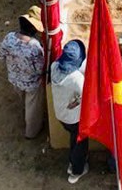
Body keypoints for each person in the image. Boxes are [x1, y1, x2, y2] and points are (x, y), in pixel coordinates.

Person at [0, 12, 48, 141]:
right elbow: (40, 68)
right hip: (31, 83)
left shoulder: (9, 37)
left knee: (23, 100)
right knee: (33, 109)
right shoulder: (34, 46)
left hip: (14, 78)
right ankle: (31, 132)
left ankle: (25, 113)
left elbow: (1, 55)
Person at [48, 40, 90, 182]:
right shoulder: (76, 79)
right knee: (80, 142)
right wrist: (76, 102)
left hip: (60, 114)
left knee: (74, 138)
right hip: (74, 118)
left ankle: (74, 161)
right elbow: (87, 96)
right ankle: (76, 170)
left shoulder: (54, 66)